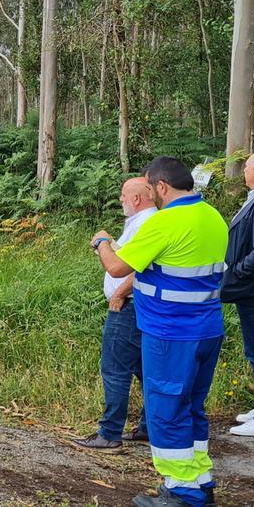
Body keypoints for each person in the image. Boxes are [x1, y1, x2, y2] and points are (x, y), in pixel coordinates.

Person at [91, 156, 228, 507]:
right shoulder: (212, 217)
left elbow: (118, 266)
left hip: (170, 332)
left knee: (166, 409)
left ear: (161, 187)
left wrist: (102, 242)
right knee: (192, 407)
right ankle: (200, 481)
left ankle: (182, 492)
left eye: (151, 188)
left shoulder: (165, 223)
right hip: (207, 328)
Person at [75, 177, 156, 451]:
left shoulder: (146, 223)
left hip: (129, 305)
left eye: (123, 195)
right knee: (145, 369)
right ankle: (149, 426)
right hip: (138, 305)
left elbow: (140, 267)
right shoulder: (143, 222)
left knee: (115, 369)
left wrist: (120, 292)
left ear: (136, 198)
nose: (120, 199)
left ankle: (109, 432)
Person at [224, 153, 254, 436]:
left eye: (246, 166)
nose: (244, 170)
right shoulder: (253, 198)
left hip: (252, 289)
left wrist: (234, 274)